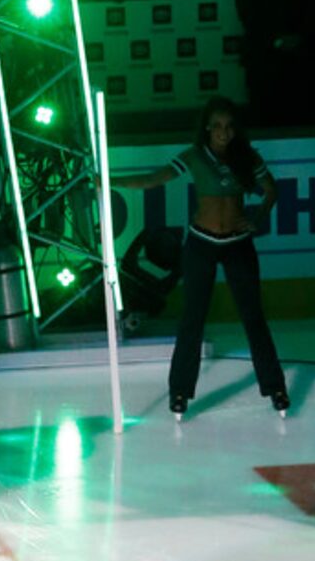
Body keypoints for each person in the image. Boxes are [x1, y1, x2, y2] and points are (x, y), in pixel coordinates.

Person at [118, 98, 288, 419]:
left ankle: (275, 388)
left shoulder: (246, 157)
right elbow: (154, 179)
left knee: (253, 318)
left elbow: (271, 189)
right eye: (217, 125)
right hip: (201, 244)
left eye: (229, 126)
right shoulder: (195, 156)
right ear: (207, 128)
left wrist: (259, 217)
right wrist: (110, 182)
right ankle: (180, 392)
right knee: (192, 320)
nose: (223, 132)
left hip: (238, 244)